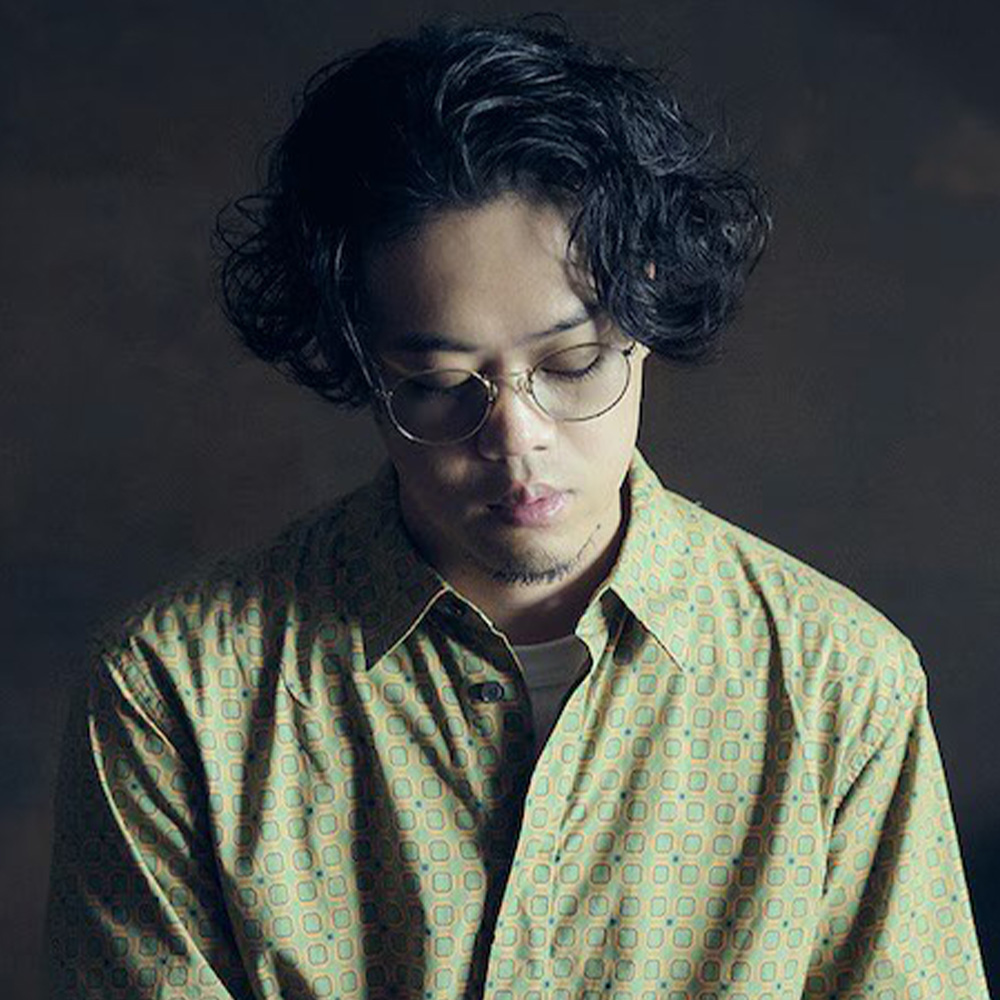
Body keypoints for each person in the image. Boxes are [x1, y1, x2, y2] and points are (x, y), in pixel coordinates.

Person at [44, 19, 989, 1000]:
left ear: (643, 316)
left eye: (573, 363)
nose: (514, 438)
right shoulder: (175, 696)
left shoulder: (840, 685)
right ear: (362, 359)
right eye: (438, 384)